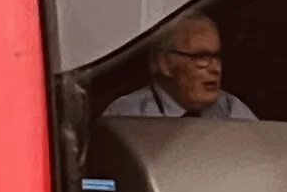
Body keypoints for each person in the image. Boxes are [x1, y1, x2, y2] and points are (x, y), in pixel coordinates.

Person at [103, 13, 255, 120]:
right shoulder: (126, 116)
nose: (216, 69)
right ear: (165, 64)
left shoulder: (232, 110)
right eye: (201, 57)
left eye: (217, 57)